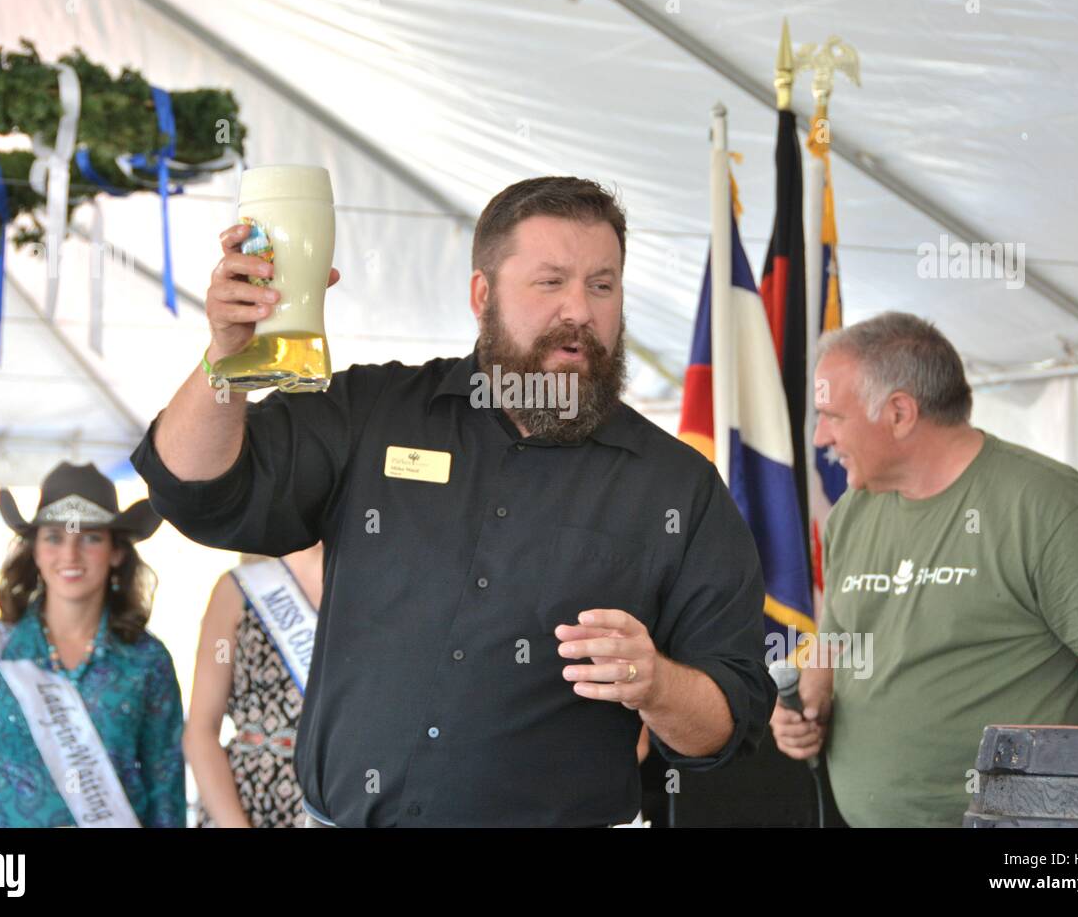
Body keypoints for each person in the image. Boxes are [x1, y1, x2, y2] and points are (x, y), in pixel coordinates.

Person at [131, 175, 776, 827]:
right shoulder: (371, 412)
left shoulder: (677, 488)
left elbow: (727, 722)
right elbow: (197, 493)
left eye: (602, 285)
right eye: (551, 282)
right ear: (481, 294)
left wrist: (659, 685)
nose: (580, 309)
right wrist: (227, 353)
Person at [770, 311, 1078, 826]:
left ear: (899, 413)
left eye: (832, 416)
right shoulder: (853, 511)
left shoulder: (1049, 506)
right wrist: (810, 692)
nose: (820, 436)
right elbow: (840, 636)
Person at [0, 462, 186, 827]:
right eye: (54, 537)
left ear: (117, 552)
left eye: (91, 537)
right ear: (34, 551)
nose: (70, 554)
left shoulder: (148, 660)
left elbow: (165, 789)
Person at [188, 544, 324, 828]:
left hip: (336, 802)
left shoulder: (376, 591)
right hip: (246, 802)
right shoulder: (238, 589)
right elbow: (201, 730)